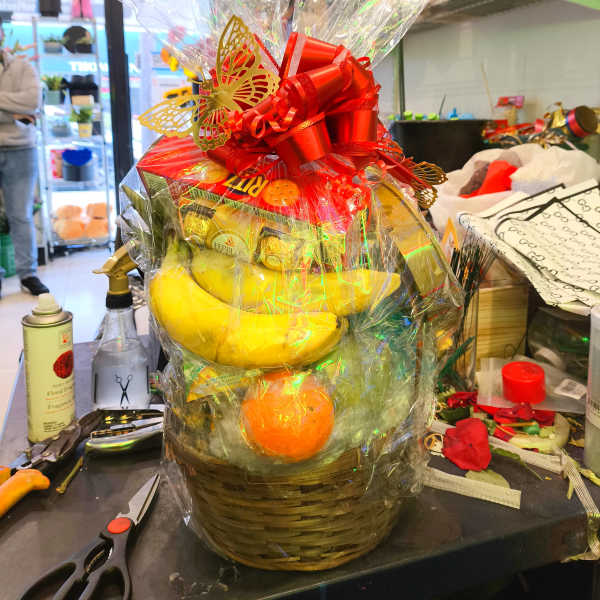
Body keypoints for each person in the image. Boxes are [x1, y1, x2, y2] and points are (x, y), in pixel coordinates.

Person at [0, 19, 49, 296]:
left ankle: (28, 274)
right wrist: (13, 109)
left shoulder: (22, 68)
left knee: (21, 215)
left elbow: (32, 102)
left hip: (21, 149)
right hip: (17, 139)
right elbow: (24, 109)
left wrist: (23, 108)